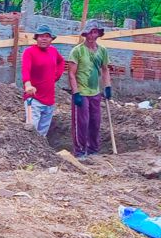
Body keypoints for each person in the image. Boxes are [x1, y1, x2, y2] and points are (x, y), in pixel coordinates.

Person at [68, 24, 111, 160]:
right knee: (82, 121)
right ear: (85, 34)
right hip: (81, 92)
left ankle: (93, 149)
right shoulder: (77, 51)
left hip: (95, 92)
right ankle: (80, 150)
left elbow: (105, 70)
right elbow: (71, 73)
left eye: (95, 33)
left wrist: (107, 87)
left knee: (95, 121)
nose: (93, 36)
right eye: (90, 33)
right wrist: (75, 93)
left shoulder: (102, 51)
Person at [21, 26, 67, 138]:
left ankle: (40, 155)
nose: (44, 39)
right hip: (34, 99)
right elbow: (25, 69)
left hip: (49, 101)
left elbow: (61, 62)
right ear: (36, 38)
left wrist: (56, 76)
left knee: (42, 135)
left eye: (47, 36)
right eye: (41, 36)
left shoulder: (53, 51)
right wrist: (27, 84)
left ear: (51, 39)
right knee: (32, 133)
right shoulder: (29, 52)